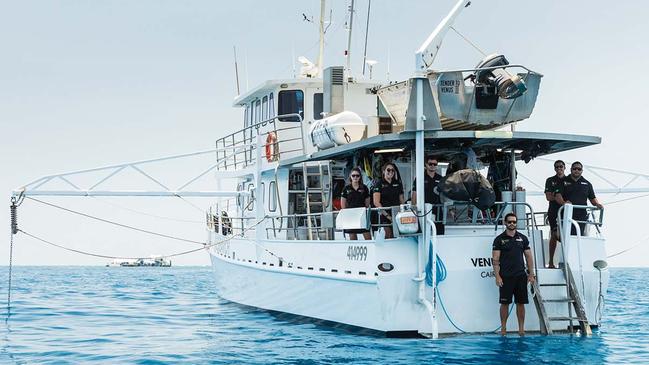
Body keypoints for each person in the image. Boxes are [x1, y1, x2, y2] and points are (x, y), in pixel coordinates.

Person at [492, 213, 535, 336]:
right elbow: (495, 259)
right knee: (504, 303)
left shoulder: (522, 238)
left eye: (514, 222)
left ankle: (521, 329)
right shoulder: (499, 239)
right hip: (505, 276)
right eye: (509, 222)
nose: (512, 224)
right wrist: (497, 276)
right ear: (505, 223)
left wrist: (531, 274)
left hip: (521, 276)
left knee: (520, 303)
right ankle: (503, 329)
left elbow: (529, 257)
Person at [555, 161, 604, 236]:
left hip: (581, 216)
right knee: (566, 237)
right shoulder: (562, 181)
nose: (576, 170)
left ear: (582, 171)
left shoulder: (587, 184)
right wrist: (564, 203)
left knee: (578, 236)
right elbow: (558, 196)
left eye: (579, 169)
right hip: (566, 214)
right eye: (575, 169)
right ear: (571, 169)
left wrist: (597, 204)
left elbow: (592, 198)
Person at [411, 155, 445, 235]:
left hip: (438, 209)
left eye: (435, 164)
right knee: (424, 232)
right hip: (424, 210)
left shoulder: (440, 178)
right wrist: (414, 209)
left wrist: (450, 210)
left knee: (439, 232)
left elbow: (444, 195)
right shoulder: (420, 178)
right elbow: (414, 194)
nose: (433, 166)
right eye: (430, 164)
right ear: (426, 164)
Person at [371, 162, 405, 239]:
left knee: (396, 235)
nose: (391, 172)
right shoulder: (379, 183)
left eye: (393, 170)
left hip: (396, 212)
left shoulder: (397, 183)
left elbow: (401, 200)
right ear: (384, 171)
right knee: (388, 234)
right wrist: (387, 215)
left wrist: (404, 212)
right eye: (388, 170)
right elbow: (376, 202)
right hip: (384, 213)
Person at [340, 167, 372, 240]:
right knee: (352, 236)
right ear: (350, 177)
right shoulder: (346, 188)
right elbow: (343, 204)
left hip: (362, 215)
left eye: (357, 175)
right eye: (353, 175)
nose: (355, 177)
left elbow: (367, 203)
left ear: (360, 177)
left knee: (367, 235)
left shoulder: (364, 188)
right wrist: (347, 214)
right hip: (351, 215)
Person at [544, 160, 565, 268]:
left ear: (564, 168)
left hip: (567, 211)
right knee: (554, 234)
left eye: (561, 166)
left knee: (568, 235)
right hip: (554, 211)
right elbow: (548, 197)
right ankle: (551, 262)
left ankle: (566, 260)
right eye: (557, 167)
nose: (559, 168)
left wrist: (557, 197)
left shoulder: (568, 180)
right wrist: (560, 199)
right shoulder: (550, 180)